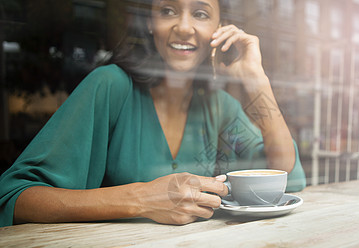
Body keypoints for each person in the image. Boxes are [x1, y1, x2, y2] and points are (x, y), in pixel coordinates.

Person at [0, 0, 306, 227]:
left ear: (218, 28)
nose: (184, 27)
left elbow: (283, 176)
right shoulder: (110, 86)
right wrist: (142, 199)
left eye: (200, 14)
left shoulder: (219, 106)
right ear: (149, 22)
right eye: (168, 10)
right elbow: (15, 196)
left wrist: (258, 81)